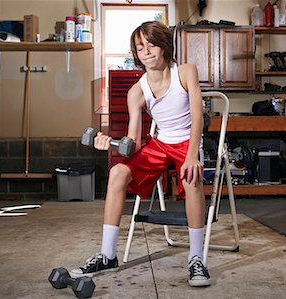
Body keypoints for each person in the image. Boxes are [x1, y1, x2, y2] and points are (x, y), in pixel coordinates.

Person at [71, 21, 210, 287]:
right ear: (136, 54)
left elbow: (197, 116)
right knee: (117, 173)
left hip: (186, 141)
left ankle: (196, 258)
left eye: (152, 44)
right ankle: (108, 255)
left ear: (165, 46)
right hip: (159, 144)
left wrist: (192, 156)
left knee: (191, 178)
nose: (146, 51)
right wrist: (108, 143)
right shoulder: (136, 92)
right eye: (140, 47)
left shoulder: (185, 72)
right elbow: (133, 143)